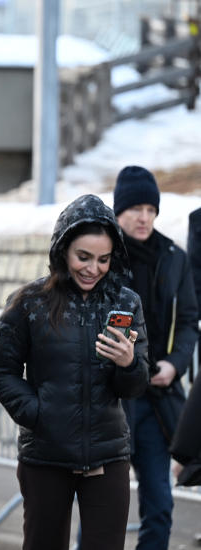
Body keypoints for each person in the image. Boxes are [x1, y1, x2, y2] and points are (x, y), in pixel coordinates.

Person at [0, 194, 149, 550]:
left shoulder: (126, 302)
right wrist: (37, 414)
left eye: (103, 259)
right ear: (62, 251)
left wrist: (128, 363)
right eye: (83, 257)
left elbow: (135, 385)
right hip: (45, 456)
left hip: (108, 456)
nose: (93, 268)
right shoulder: (29, 302)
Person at [112, 166, 199, 550]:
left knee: (160, 506)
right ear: (118, 211)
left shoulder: (173, 257)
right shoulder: (102, 255)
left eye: (151, 208)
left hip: (154, 400)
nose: (144, 216)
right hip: (110, 399)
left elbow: (189, 320)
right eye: (135, 208)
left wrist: (175, 364)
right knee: (106, 511)